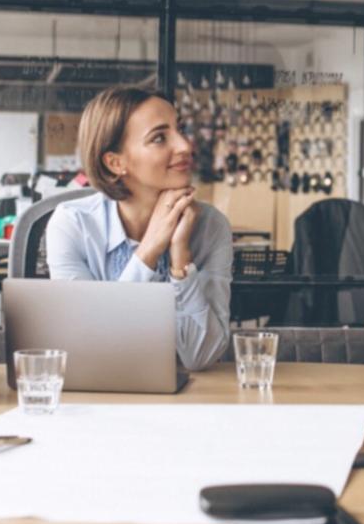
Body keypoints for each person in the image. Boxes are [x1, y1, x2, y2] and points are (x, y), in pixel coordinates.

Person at [45, 85, 230, 370]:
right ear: (116, 162)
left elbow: (201, 357)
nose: (184, 146)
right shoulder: (73, 224)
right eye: (159, 138)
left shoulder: (210, 226)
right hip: (96, 399)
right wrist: (149, 251)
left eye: (180, 130)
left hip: (187, 402)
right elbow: (94, 348)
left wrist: (181, 261)